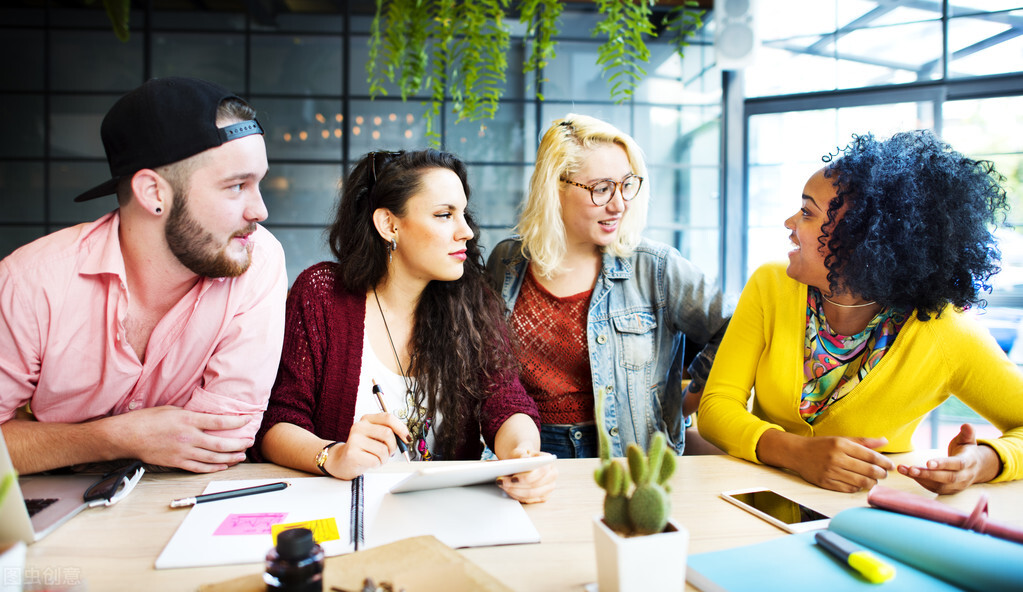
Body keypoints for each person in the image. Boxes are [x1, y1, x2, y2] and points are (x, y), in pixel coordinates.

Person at [698, 130, 1023, 494]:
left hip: (866, 515)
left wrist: (983, 463)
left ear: (861, 242)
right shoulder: (770, 285)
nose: (790, 223)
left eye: (807, 212)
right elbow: (716, 406)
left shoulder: (944, 332)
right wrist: (796, 452)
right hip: (752, 502)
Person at [0, 76, 287, 475]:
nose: (260, 211)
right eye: (237, 186)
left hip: (186, 507)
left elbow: (222, 441)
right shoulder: (30, 283)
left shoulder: (258, 260)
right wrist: (115, 438)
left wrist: (44, 440)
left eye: (258, 183)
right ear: (153, 193)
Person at [254, 149, 556, 504]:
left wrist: (522, 456)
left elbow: (506, 403)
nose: (467, 231)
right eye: (445, 215)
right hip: (346, 510)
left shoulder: (471, 301)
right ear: (389, 225)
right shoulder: (321, 295)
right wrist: (332, 455)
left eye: (463, 213)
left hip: (448, 512)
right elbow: (278, 422)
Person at [486, 114, 730, 459]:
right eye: (601, 189)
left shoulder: (656, 267)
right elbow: (488, 369)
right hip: (529, 451)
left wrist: (683, 404)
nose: (619, 204)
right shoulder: (507, 262)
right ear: (554, 187)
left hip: (626, 458)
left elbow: (734, 327)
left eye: (626, 184)